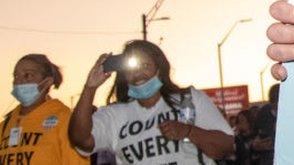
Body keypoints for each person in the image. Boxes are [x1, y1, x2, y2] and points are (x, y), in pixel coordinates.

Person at [68, 40, 234, 164]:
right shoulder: (114, 114)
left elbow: (225, 146)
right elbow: (81, 139)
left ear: (159, 68)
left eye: (145, 65)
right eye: (131, 69)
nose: (138, 73)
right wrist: (89, 88)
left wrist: (188, 131)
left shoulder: (188, 100)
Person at [0, 54, 88, 164]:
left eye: (28, 75)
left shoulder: (64, 119)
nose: (18, 82)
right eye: (16, 76)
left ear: (47, 82)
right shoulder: (5, 125)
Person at [249, 84, 277, 165]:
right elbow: (253, 137)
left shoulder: (293, 114)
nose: (276, 105)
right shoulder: (263, 113)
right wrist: (256, 145)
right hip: (267, 160)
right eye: (273, 100)